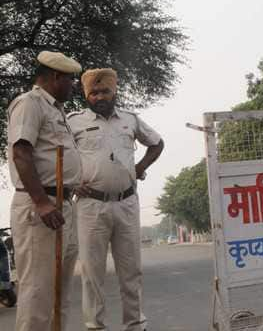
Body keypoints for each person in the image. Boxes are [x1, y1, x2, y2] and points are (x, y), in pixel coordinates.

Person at [68, 68, 164, 331]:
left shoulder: (130, 120)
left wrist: (139, 168)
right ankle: (95, 326)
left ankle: (135, 324)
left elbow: (157, 143)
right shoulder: (73, 122)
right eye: (94, 92)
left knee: (131, 271)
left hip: (127, 203)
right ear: (86, 95)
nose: (99, 96)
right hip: (90, 206)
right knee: (92, 273)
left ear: (115, 91)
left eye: (105, 91)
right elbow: (59, 155)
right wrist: (73, 182)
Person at [8, 51, 83, 329]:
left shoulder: (55, 109)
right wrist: (41, 202)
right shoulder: (30, 103)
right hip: (40, 207)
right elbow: (21, 153)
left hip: (62, 204)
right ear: (55, 77)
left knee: (59, 293)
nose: (73, 85)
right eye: (70, 80)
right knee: (38, 292)